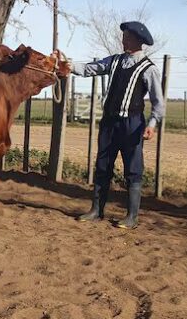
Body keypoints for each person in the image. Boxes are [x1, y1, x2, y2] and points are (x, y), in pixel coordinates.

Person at [70, 21, 166, 229]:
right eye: (123, 37)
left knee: (133, 168)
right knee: (103, 165)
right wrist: (67, 65)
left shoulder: (148, 69)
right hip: (109, 123)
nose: (123, 40)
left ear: (138, 41)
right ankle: (96, 210)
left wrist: (152, 124)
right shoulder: (113, 61)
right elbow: (89, 69)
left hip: (132, 125)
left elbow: (159, 102)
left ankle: (132, 216)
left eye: (127, 37)